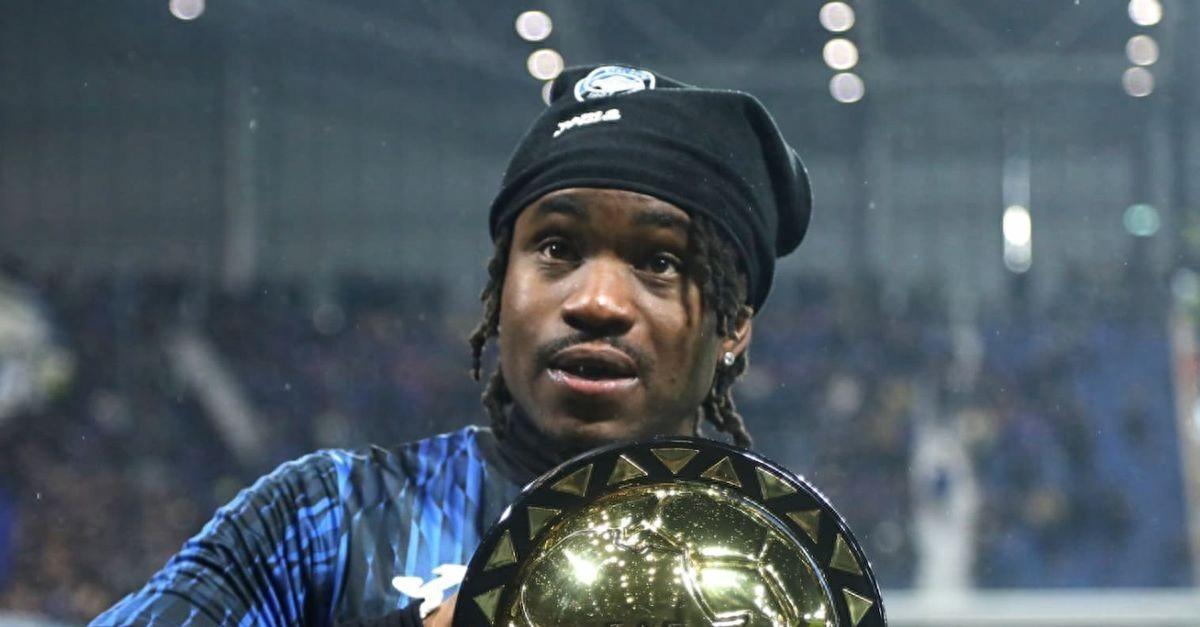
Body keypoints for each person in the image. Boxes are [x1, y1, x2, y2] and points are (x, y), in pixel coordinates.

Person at [91, 63, 812, 626]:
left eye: (659, 261)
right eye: (557, 248)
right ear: (501, 287)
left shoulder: (796, 582)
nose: (596, 301)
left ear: (734, 323)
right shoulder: (325, 516)